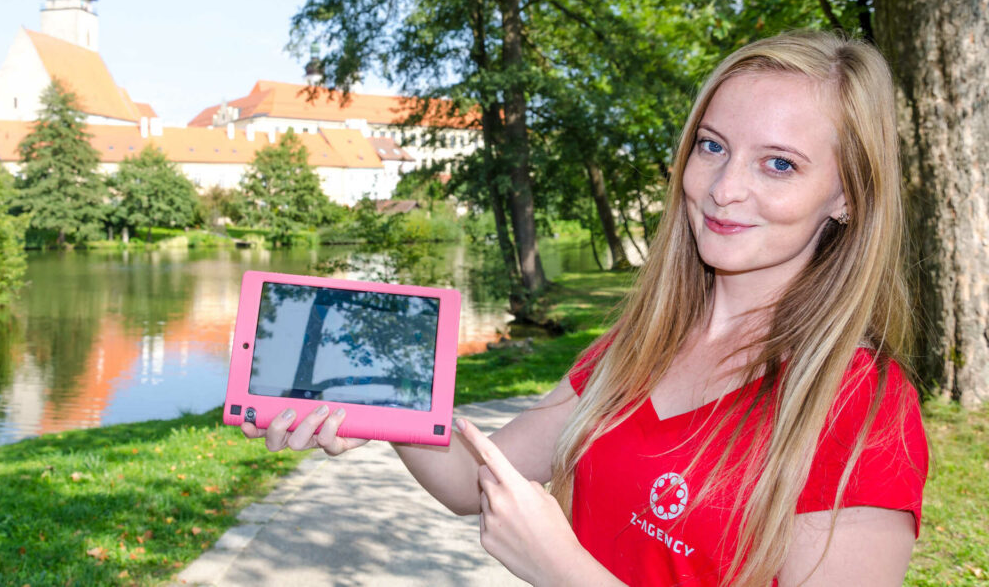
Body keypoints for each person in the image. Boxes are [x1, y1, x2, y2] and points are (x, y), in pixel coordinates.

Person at [242, 30, 929, 587]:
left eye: (779, 164)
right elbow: (474, 481)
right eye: (712, 147)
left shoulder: (864, 411)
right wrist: (386, 400)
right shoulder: (642, 342)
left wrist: (564, 571)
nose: (724, 189)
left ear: (847, 197)